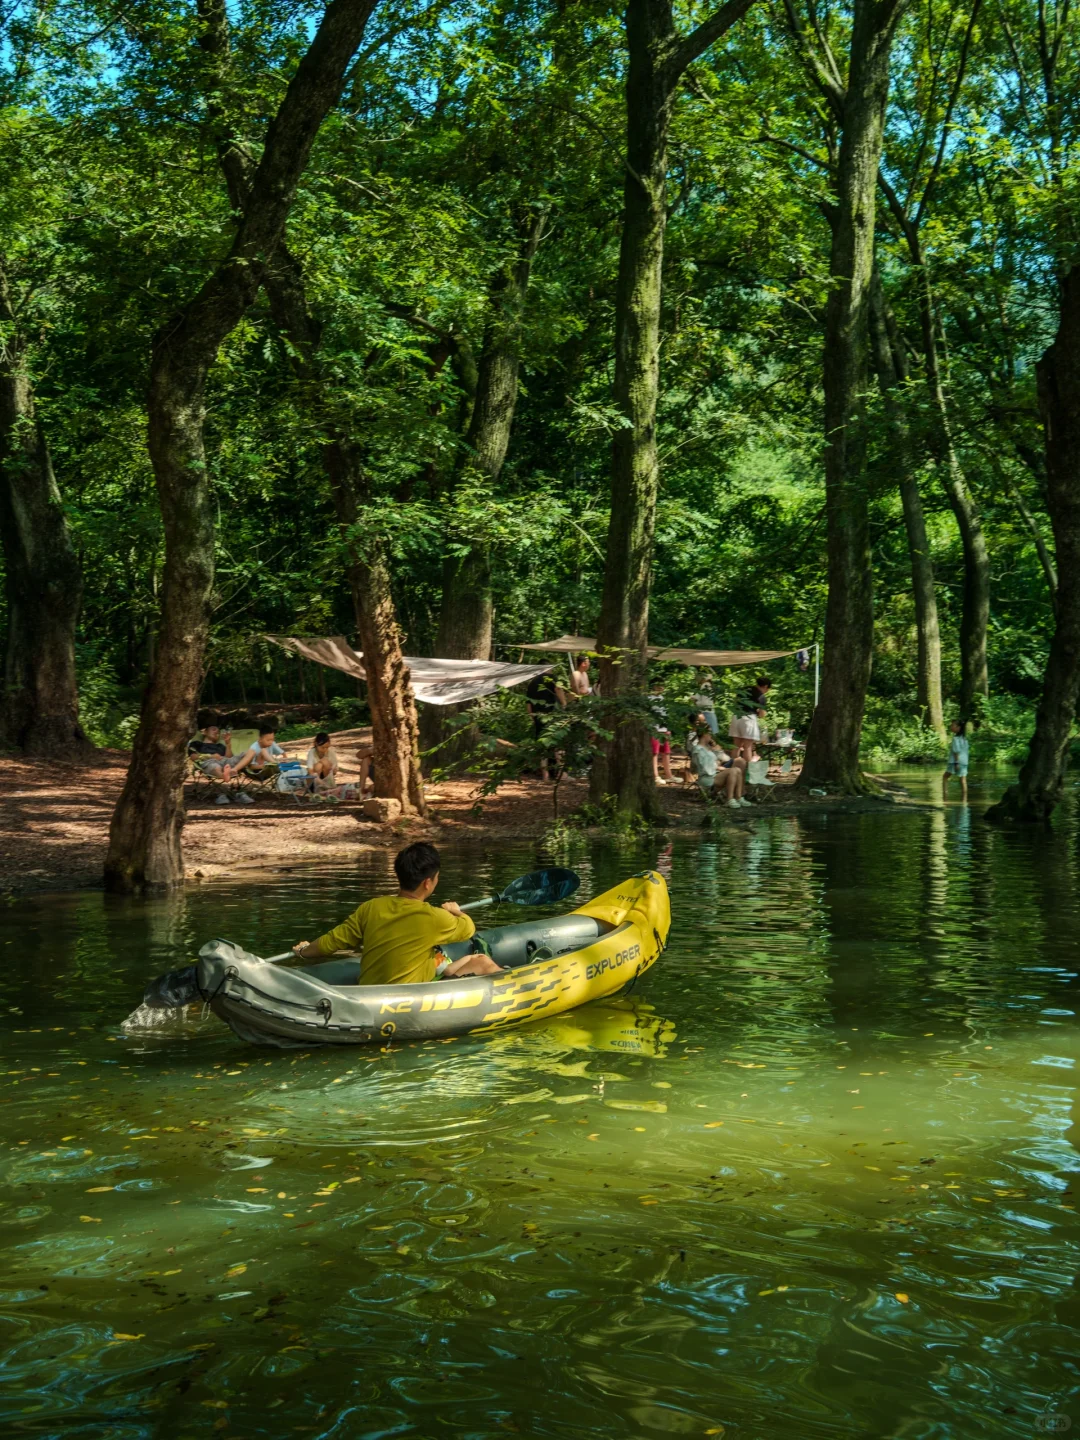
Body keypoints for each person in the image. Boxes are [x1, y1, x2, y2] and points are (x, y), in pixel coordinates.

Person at [290, 842, 503, 984]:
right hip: (408, 998)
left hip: (369, 994)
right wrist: (456, 911)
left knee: (470, 957)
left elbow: (330, 943)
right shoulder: (435, 917)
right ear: (428, 883)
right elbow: (468, 929)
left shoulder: (371, 908)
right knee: (483, 962)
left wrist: (303, 951)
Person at [188, 720, 253, 806]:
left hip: (225, 762)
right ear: (204, 732)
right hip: (209, 761)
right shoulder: (197, 743)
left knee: (250, 752)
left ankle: (230, 772)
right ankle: (225, 777)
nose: (216, 732)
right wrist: (210, 756)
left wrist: (228, 744)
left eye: (218, 732)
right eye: (214, 729)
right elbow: (193, 757)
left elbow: (229, 757)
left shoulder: (220, 746)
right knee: (215, 766)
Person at [688, 725, 752, 809]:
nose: (711, 736)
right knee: (733, 771)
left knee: (737, 770)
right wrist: (719, 768)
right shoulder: (698, 750)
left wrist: (717, 750)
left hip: (714, 774)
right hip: (706, 777)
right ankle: (729, 799)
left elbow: (726, 759)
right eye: (710, 734)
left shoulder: (708, 748)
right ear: (704, 734)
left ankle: (739, 797)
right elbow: (705, 768)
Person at [526, 670, 565, 782]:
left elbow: (528, 704)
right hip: (552, 715)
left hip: (538, 717)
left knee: (543, 746)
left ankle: (545, 775)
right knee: (558, 744)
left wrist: (532, 718)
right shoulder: (551, 677)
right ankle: (562, 773)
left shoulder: (532, 683)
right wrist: (564, 703)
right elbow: (558, 689)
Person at [729, 676, 772, 764]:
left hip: (736, 716)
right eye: (768, 689)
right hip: (748, 719)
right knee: (747, 746)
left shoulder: (745, 689)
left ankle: (733, 767)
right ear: (765, 686)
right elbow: (762, 714)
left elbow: (736, 702)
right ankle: (747, 771)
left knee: (736, 745)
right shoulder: (761, 697)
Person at [649, 681, 674, 785]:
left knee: (666, 752)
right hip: (654, 729)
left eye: (662, 685)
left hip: (664, 729)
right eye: (659, 685)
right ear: (653, 686)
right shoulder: (649, 699)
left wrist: (668, 728)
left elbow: (665, 715)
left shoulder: (663, 699)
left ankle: (669, 775)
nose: (661, 687)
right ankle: (656, 776)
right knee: (655, 753)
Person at [943, 719, 969, 802]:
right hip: (964, 762)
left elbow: (956, 751)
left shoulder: (955, 738)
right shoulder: (964, 738)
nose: (951, 727)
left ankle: (945, 797)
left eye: (953, 725)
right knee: (963, 780)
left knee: (945, 777)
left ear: (958, 727)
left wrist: (956, 762)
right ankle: (964, 800)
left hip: (955, 761)